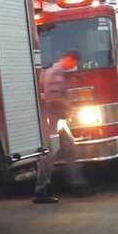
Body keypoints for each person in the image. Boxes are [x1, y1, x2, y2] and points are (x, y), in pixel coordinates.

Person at [33, 50, 89, 204]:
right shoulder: (57, 73)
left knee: (70, 147)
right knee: (50, 153)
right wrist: (69, 108)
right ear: (70, 59)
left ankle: (77, 184)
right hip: (53, 120)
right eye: (74, 63)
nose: (74, 66)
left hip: (57, 120)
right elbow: (53, 99)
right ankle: (41, 190)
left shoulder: (55, 71)